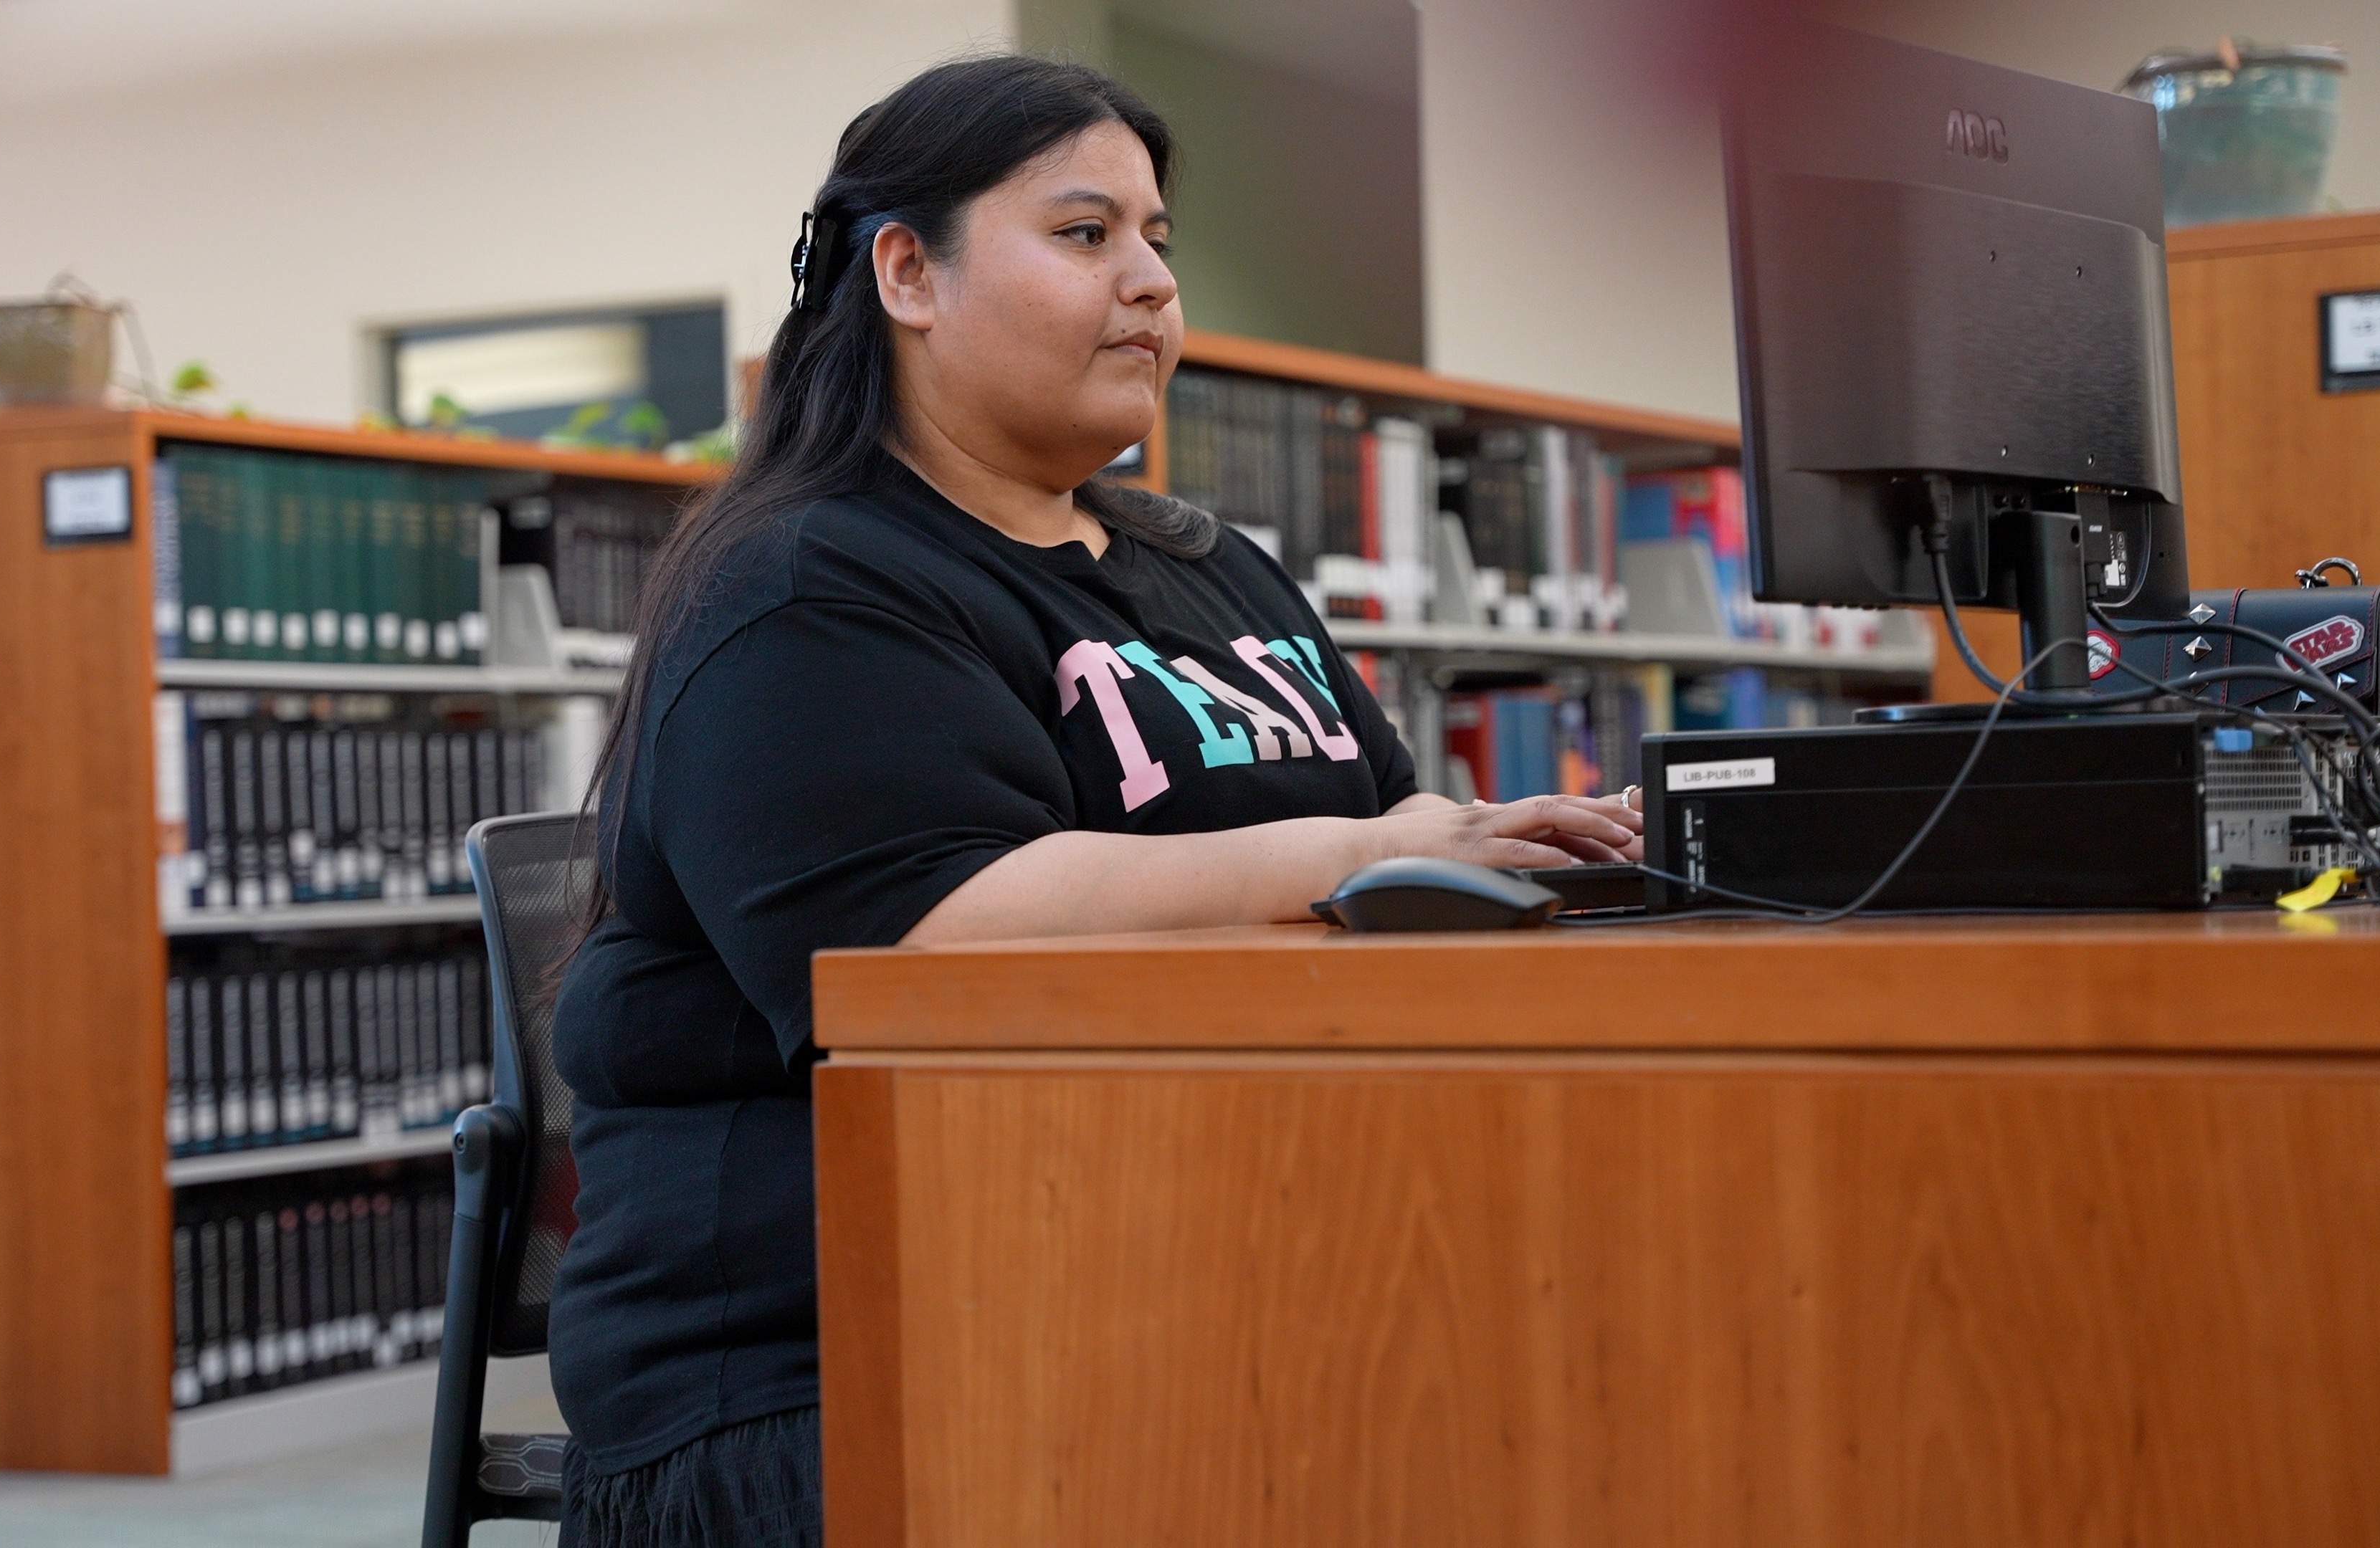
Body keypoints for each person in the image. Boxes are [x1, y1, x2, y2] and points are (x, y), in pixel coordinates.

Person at [546, 52, 1646, 1547]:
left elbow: (1413, 852)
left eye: (1158, 240)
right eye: (1085, 233)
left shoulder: (1217, 571)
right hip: (842, 1364)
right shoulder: (799, 589)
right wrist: (1355, 852)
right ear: (907, 274)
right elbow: (933, 933)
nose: (1152, 283)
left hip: (1198, 1268)